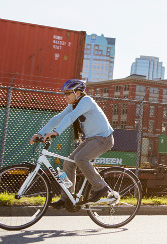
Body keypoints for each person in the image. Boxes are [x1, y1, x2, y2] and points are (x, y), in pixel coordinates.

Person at [29, 79, 114, 209]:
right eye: (65, 94)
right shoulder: (73, 105)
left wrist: (56, 133)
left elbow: (71, 117)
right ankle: (67, 197)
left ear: (78, 92)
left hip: (104, 138)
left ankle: (100, 187)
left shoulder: (86, 101)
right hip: (91, 139)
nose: (66, 96)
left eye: (68, 93)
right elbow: (58, 118)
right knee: (68, 163)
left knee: (80, 158)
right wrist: (41, 133)